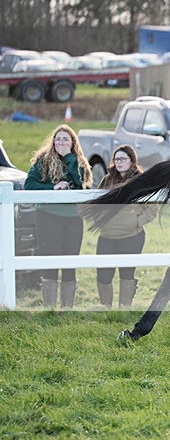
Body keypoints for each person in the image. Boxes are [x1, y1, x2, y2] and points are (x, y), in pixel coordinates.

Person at [24, 124, 92, 308]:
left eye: (65, 139)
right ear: (53, 141)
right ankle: (49, 308)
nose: (60, 142)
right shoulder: (43, 160)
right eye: (58, 138)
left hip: (73, 219)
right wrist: (52, 188)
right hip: (48, 217)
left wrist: (68, 157)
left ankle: (67, 308)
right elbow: (29, 185)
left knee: (70, 264)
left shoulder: (78, 162)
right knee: (51, 263)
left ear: (72, 143)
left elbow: (80, 184)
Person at [94, 146, 157, 307]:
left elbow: (152, 207)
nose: (119, 162)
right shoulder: (107, 180)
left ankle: (124, 308)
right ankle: (105, 308)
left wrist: (136, 222)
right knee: (103, 274)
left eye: (123, 159)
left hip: (132, 236)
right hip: (107, 236)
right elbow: (96, 202)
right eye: (117, 159)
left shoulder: (142, 180)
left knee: (127, 273)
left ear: (132, 161)